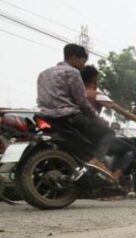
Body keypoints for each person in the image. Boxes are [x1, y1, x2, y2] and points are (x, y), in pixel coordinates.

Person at [37, 43, 115, 177]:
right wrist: (96, 117)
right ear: (73, 58)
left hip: (45, 116)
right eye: (82, 61)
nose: (83, 65)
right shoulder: (72, 72)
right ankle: (97, 161)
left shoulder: (43, 73)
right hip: (68, 117)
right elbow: (81, 101)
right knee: (108, 132)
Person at [80, 65, 136, 181]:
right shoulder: (96, 95)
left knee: (121, 141)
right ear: (95, 81)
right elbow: (123, 112)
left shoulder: (75, 94)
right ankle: (115, 177)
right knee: (130, 148)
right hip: (95, 136)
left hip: (81, 135)